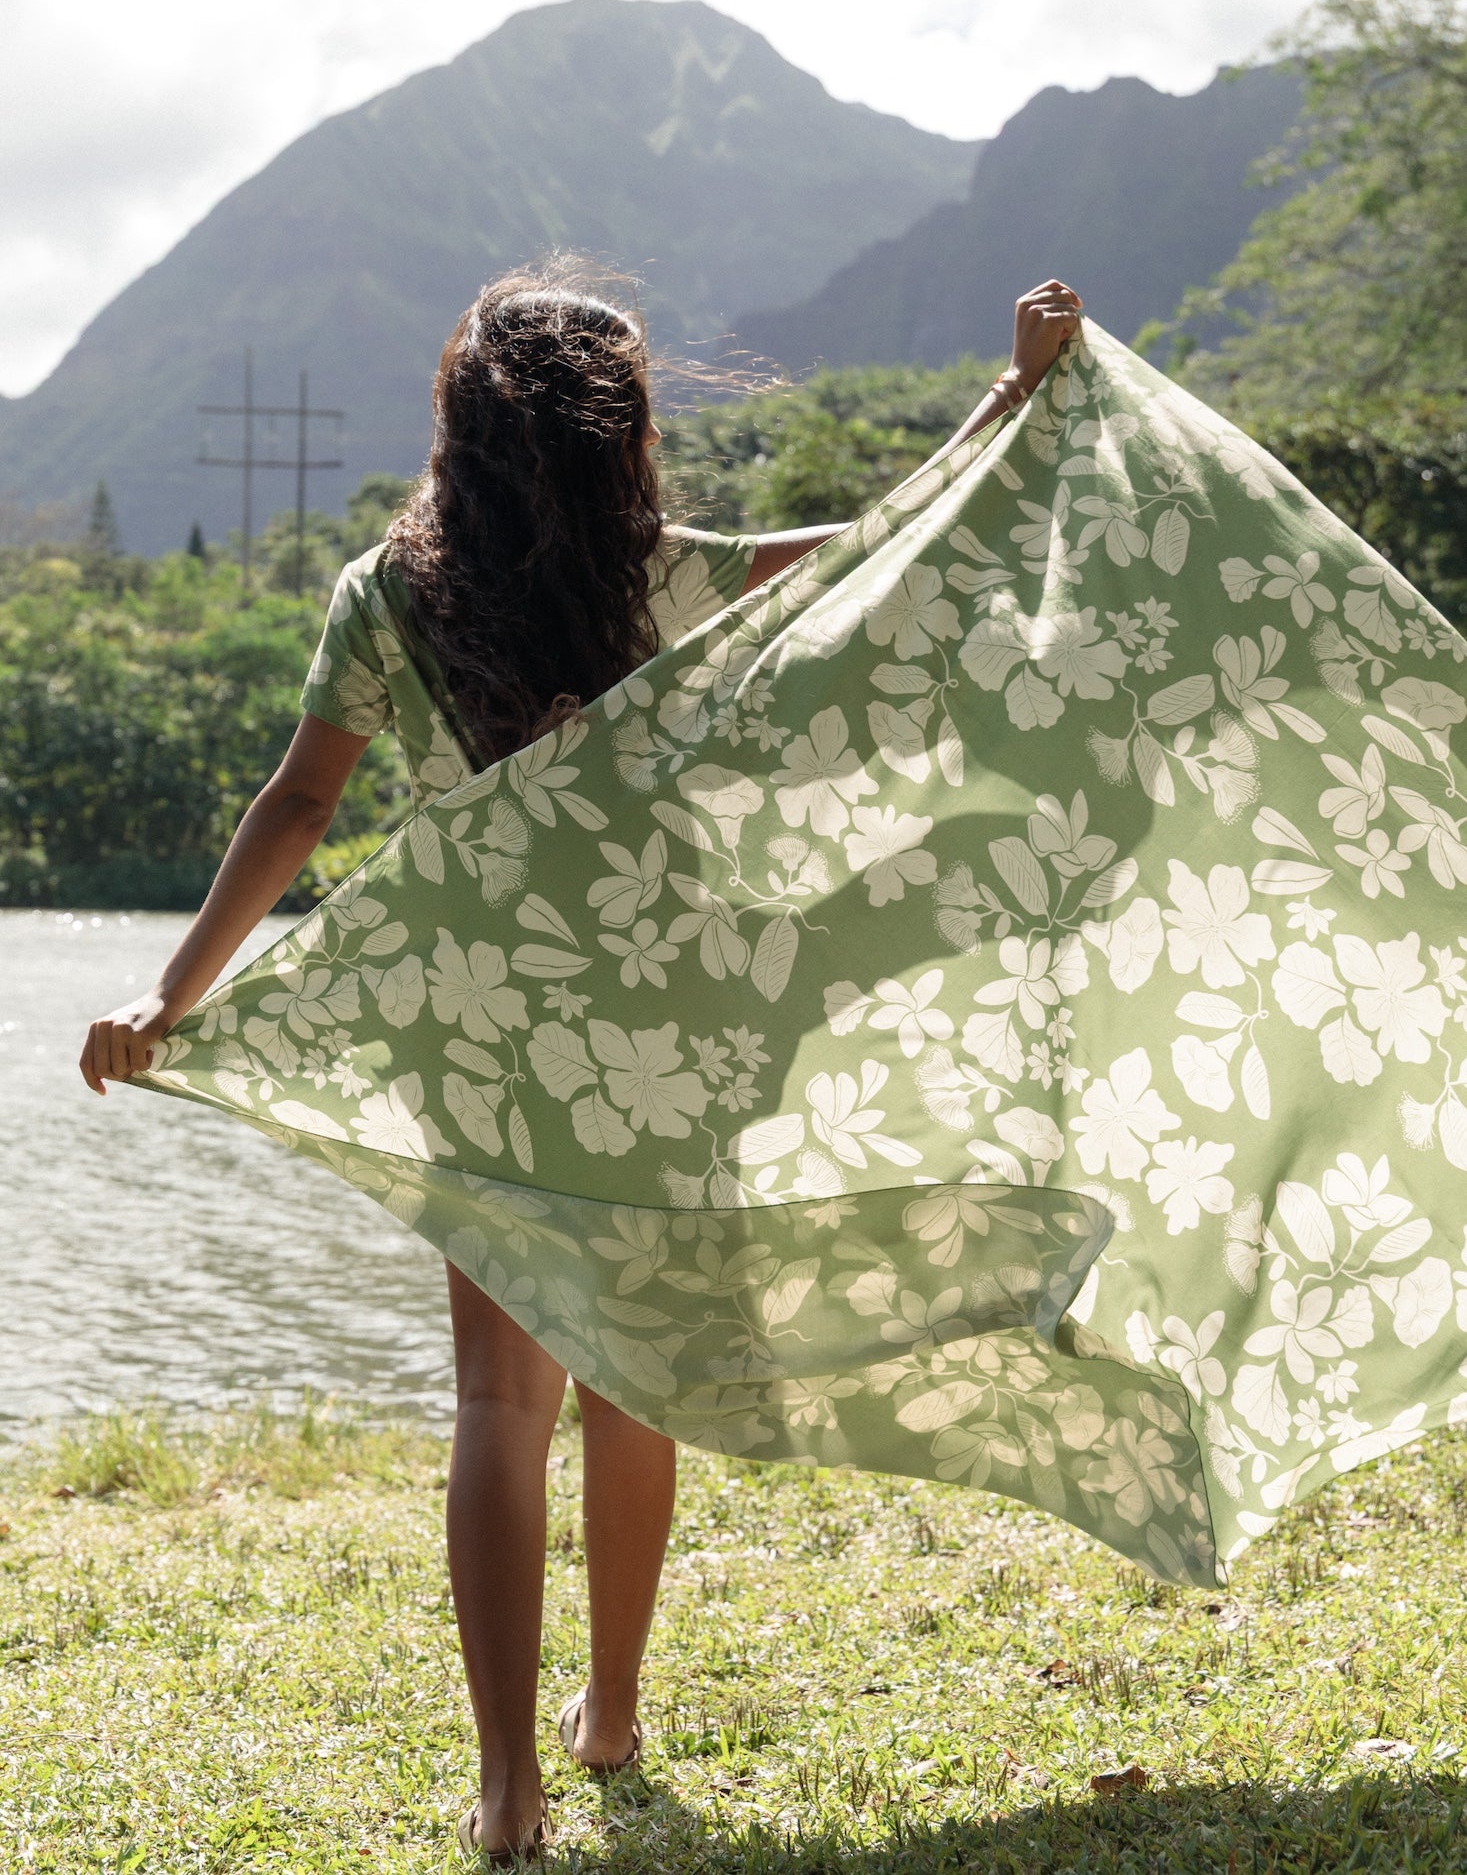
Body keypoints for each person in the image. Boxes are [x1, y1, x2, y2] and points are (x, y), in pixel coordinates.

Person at [80, 265, 1082, 1863]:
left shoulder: (387, 598)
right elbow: (887, 558)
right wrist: (1016, 395)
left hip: (484, 1031)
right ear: (622, 444)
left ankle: (511, 1788)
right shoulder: (665, 582)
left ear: (457, 436)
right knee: (638, 1380)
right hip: (672, 1031)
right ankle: (607, 1711)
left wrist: (171, 991)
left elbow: (296, 806)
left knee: (498, 1395)